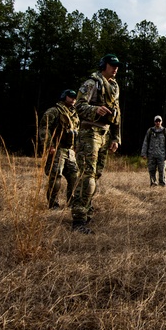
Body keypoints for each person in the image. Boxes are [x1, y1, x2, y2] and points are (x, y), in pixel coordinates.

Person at [71, 53, 122, 234]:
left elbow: (117, 114)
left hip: (104, 134)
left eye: (117, 65)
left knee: (95, 175)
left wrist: (116, 137)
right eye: (112, 65)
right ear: (104, 65)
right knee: (87, 176)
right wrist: (95, 109)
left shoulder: (114, 87)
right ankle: (78, 220)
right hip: (89, 132)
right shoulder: (91, 83)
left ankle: (86, 210)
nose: (115, 68)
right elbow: (78, 106)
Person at [42, 89, 79, 209]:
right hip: (57, 149)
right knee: (55, 177)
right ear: (64, 97)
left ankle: (72, 203)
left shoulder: (75, 114)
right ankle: (53, 205)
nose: (73, 99)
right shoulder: (54, 111)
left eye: (75, 97)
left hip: (70, 151)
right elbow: (44, 128)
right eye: (70, 97)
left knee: (74, 176)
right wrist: (49, 145)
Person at [141, 115, 166, 187]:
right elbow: (145, 142)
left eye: (159, 121)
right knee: (151, 170)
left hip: (162, 155)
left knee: (162, 170)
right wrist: (144, 153)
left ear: (161, 122)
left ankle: (162, 184)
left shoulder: (165, 131)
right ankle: (153, 183)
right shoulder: (150, 131)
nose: (158, 122)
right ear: (154, 122)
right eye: (156, 121)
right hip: (151, 154)